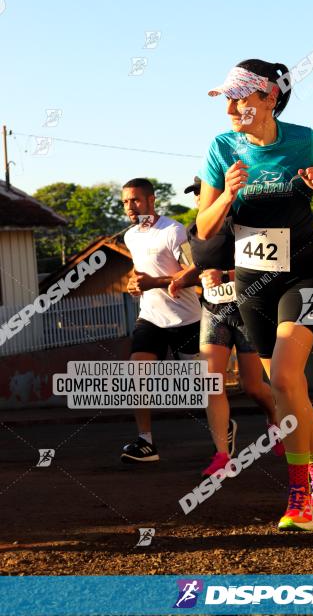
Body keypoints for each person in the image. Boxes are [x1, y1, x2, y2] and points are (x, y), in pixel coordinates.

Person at [197, 59, 313, 530]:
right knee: (284, 389)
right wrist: (226, 194)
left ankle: (303, 492)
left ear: (268, 97)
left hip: (306, 274)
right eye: (226, 97)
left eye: (239, 97)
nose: (229, 107)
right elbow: (203, 229)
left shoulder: (303, 139)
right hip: (253, 283)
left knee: (284, 377)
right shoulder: (221, 147)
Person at [170, 176, 283, 477]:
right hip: (214, 312)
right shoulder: (196, 229)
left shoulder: (244, 221)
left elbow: (269, 265)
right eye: (195, 194)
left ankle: (275, 418)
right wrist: (187, 278)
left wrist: (229, 274)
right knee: (211, 383)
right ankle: (222, 454)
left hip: (247, 310)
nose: (198, 198)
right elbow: (203, 265)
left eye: (203, 192)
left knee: (252, 385)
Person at [120, 178, 201, 463]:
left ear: (152, 200)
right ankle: (146, 442)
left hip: (186, 318)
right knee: (137, 372)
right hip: (151, 317)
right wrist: (134, 282)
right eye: (126, 202)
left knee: (199, 392)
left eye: (136, 200)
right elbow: (140, 270)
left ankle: (223, 425)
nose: (130, 206)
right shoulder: (131, 236)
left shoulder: (174, 231)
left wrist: (155, 282)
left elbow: (195, 272)